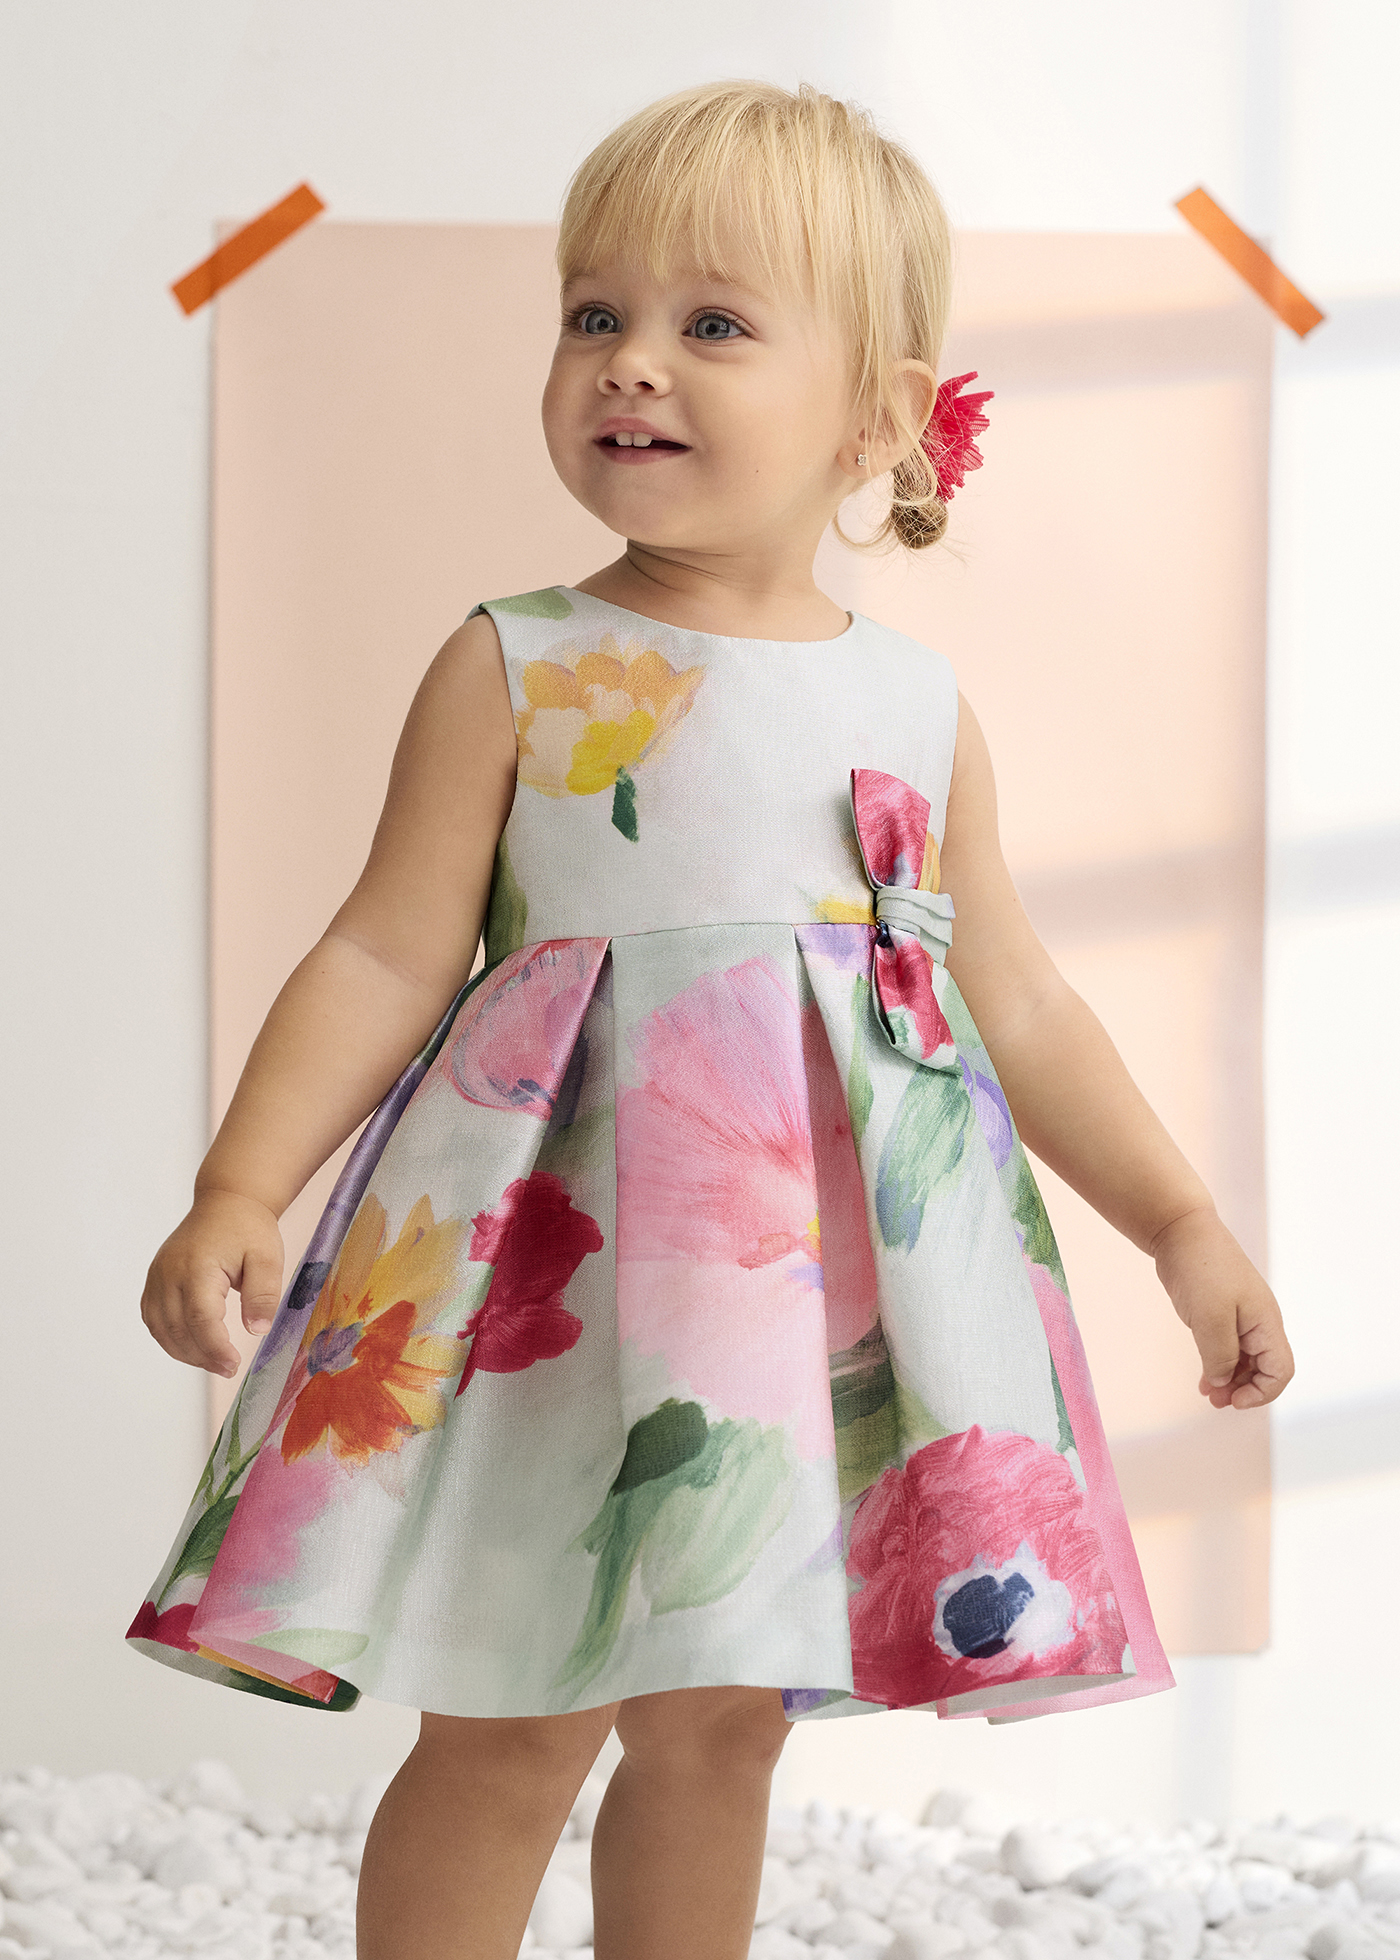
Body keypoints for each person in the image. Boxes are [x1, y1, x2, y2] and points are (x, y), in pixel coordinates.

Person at [129, 79, 1293, 1960]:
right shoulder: (517, 661)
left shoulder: (916, 706)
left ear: (879, 420)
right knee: (511, 1719)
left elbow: (1015, 999)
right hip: (557, 1284)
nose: (633, 360)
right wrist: (242, 1184)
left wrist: (1179, 1224)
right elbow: (383, 955)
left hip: (791, 1306)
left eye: (715, 324)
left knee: (721, 1727)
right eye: (596, 312)